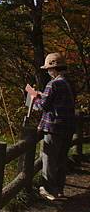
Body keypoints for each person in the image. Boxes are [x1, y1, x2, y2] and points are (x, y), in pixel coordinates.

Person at [26, 53, 76, 201]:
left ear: (54, 69)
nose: (48, 72)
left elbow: (43, 106)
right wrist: (43, 95)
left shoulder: (53, 84)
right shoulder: (68, 83)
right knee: (61, 159)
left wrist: (34, 99)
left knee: (49, 159)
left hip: (53, 127)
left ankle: (48, 191)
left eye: (48, 69)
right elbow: (58, 102)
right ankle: (59, 190)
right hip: (68, 127)